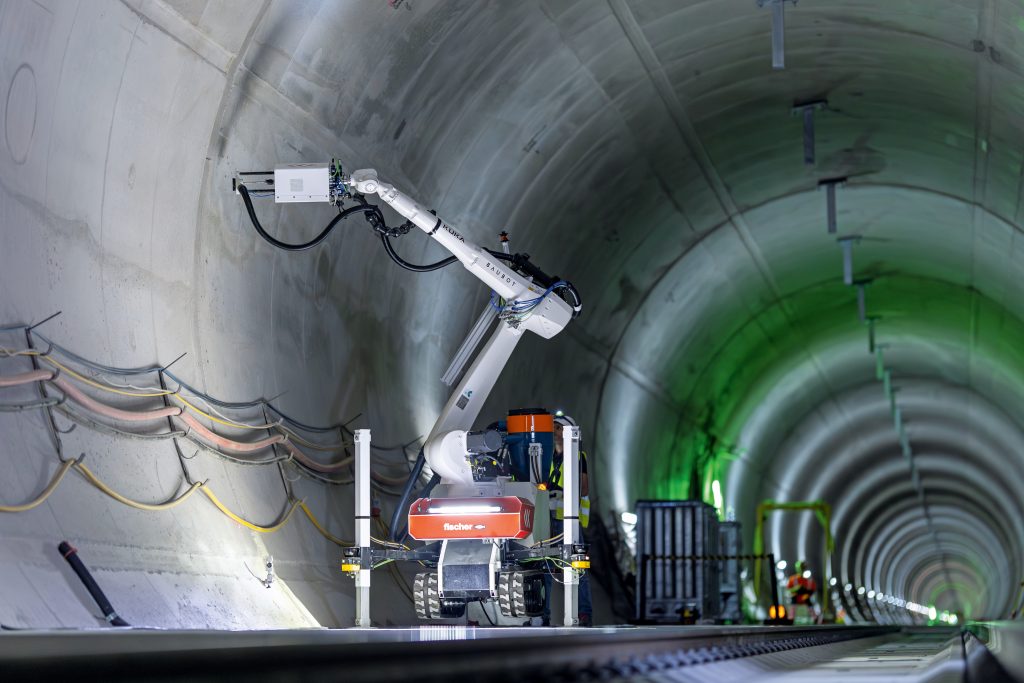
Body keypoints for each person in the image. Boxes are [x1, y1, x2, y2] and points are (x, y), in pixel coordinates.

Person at [541, 412, 592, 626]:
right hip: (547, 519)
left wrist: (559, 489)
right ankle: (541, 615)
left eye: (558, 427)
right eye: (553, 427)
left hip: (568, 521)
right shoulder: (547, 457)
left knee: (577, 566)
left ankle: (583, 613)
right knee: (544, 566)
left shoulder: (578, 456)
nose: (554, 431)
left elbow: (583, 487)